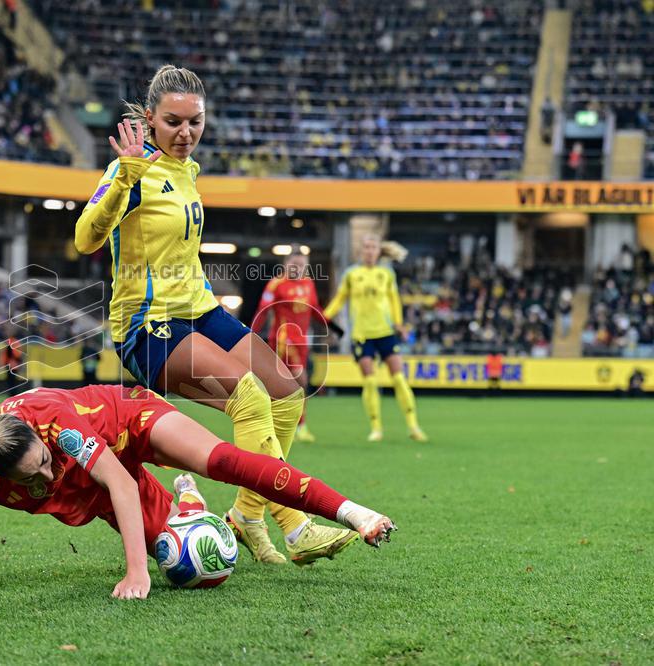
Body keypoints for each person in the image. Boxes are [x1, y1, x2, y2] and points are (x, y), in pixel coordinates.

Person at [74, 65, 352, 565]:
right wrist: (125, 178)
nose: (186, 133)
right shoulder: (128, 170)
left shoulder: (189, 171)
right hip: (149, 324)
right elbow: (85, 238)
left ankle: (245, 515)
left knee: (287, 395)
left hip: (201, 310)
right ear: (150, 119)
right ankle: (294, 524)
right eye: (173, 122)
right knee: (249, 397)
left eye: (195, 122)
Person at [0, 385, 397, 600]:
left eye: (45, 463)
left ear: (41, 439)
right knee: (197, 570)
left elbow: (117, 478)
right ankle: (191, 508)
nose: (45, 477)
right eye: (31, 480)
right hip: (97, 493)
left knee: (227, 462)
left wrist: (134, 572)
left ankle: (354, 512)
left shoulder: (57, 425)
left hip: (128, 421)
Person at [324, 235, 427, 442]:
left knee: (399, 378)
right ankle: (376, 428)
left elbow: (394, 300)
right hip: (362, 335)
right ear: (361, 251)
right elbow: (340, 298)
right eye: (367, 247)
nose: (370, 251)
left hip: (385, 332)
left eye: (373, 247)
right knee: (370, 381)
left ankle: (413, 426)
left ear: (379, 251)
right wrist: (325, 315)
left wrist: (399, 324)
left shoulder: (386, 274)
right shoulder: (351, 274)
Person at [251, 251, 331, 443]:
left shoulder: (308, 283)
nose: (298, 268)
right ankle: (299, 426)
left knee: (283, 385)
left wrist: (331, 325)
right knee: (299, 381)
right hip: (283, 340)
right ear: (286, 264)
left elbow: (315, 309)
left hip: (302, 341)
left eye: (302, 265)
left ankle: (282, 425)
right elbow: (263, 311)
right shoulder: (276, 284)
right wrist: (251, 334)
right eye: (294, 264)